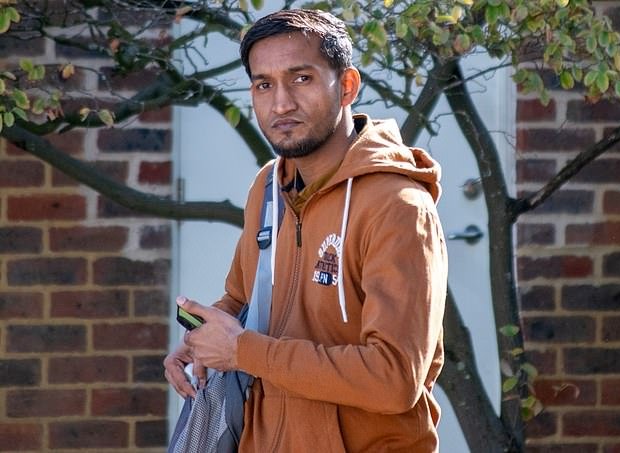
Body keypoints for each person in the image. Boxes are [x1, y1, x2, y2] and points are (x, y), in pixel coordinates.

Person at [164, 8, 448, 452]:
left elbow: (394, 379)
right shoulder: (269, 188)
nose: (281, 104)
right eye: (264, 84)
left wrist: (243, 351)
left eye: (301, 79)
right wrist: (203, 339)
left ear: (347, 85)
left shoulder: (397, 206)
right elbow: (241, 300)